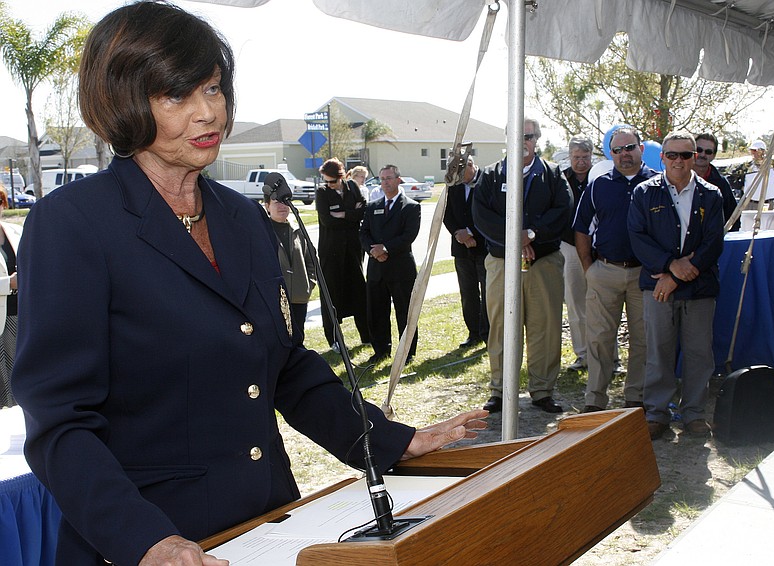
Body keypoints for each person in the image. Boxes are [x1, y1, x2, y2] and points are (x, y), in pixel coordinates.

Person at [10, 4, 486, 564]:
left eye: (214, 89)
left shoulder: (243, 218)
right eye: (177, 96)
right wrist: (145, 541)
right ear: (124, 102)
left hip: (268, 523)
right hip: (150, 540)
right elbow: (60, 422)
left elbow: (283, 365)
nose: (208, 112)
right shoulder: (73, 224)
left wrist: (390, 441)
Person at [628, 132, 725, 440]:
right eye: (673, 155)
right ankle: (657, 414)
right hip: (658, 286)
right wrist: (670, 265)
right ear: (662, 158)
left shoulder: (712, 194)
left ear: (695, 156)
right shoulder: (644, 193)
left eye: (686, 155)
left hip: (698, 287)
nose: (679, 162)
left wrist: (679, 274)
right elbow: (637, 237)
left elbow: (714, 242)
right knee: (658, 352)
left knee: (699, 353)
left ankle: (694, 414)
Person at [472, 118, 572, 414]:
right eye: (517, 135)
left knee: (545, 327)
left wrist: (532, 234)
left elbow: (563, 210)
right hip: (503, 263)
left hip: (543, 263)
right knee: (502, 327)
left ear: (537, 139)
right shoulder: (490, 175)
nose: (523, 141)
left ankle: (542, 390)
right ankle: (500, 390)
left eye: (528, 136)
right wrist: (515, 238)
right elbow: (482, 217)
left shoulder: (553, 174)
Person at [573, 126, 657, 413]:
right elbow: (582, 229)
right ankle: (595, 400)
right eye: (618, 150)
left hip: (644, 275)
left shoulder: (657, 184)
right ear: (611, 154)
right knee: (599, 340)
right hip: (605, 271)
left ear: (641, 148)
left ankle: (636, 397)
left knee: (643, 339)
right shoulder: (599, 184)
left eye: (630, 147)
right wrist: (589, 268)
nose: (624, 154)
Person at [360, 164, 421, 365]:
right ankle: (381, 350)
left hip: (400, 268)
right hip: (377, 268)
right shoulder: (372, 206)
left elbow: (408, 235)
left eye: (389, 178)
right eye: (382, 179)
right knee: (377, 311)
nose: (385, 182)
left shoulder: (411, 207)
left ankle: (407, 351)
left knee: (404, 311)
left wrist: (385, 248)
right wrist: (373, 251)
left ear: (398, 180)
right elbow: (363, 233)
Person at [316, 157, 370, 352]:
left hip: (353, 250)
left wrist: (343, 214)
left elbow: (363, 211)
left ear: (342, 176)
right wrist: (350, 214)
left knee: (359, 292)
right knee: (331, 295)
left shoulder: (352, 187)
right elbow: (327, 221)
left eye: (333, 181)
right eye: (326, 181)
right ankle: (334, 339)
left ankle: (366, 335)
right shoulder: (322, 193)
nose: (330, 185)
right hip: (331, 252)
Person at [443, 156, 489, 349]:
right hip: (461, 249)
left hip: (484, 248)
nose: (457, 176)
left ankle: (489, 334)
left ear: (470, 166)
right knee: (468, 293)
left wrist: (470, 232)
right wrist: (459, 234)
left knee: (488, 293)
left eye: (459, 171)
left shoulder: (487, 181)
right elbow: (447, 215)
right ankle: (474, 333)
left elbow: (491, 213)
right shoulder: (453, 186)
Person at [559, 137, 593, 371]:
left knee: (603, 305)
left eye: (585, 157)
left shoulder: (601, 178)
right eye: (576, 157)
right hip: (569, 247)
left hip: (599, 250)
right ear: (570, 157)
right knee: (575, 302)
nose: (580, 162)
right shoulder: (560, 179)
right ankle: (582, 354)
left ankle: (609, 356)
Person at [264, 194, 316, 345]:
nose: (282, 206)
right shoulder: (262, 232)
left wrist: (308, 284)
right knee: (278, 341)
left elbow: (311, 260)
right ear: (267, 206)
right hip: (273, 299)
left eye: (285, 202)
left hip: (299, 297)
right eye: (276, 202)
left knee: (298, 339)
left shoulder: (298, 230)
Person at [693, 132, 741, 231]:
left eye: (708, 152)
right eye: (699, 150)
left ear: (713, 156)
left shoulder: (721, 183)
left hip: (712, 242)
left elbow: (733, 216)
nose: (702, 154)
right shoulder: (679, 177)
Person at [0, 186, 20, 408]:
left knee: (19, 374)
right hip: (1, 316)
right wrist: (9, 284)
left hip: (21, 313)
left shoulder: (16, 231)